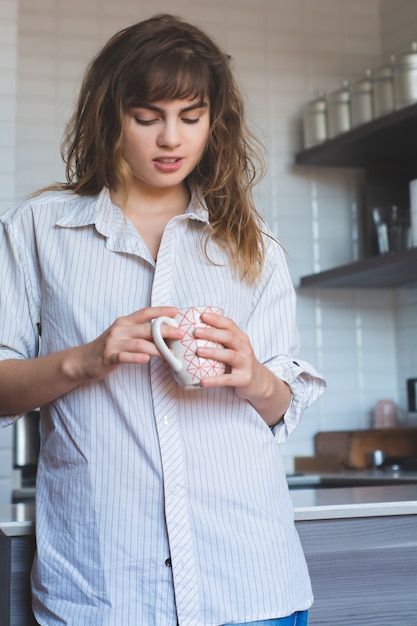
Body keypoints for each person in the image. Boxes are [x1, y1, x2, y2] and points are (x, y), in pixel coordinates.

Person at [0, 13, 326, 626]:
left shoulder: (253, 245)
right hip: (103, 587)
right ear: (110, 117)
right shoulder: (39, 231)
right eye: (147, 117)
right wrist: (83, 359)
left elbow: (284, 405)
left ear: (214, 123)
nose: (170, 139)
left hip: (248, 582)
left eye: (191, 117)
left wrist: (254, 374)